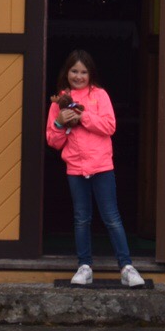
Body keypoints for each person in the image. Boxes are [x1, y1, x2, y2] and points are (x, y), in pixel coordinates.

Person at [45, 49, 143, 287]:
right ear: (66, 73)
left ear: (91, 74)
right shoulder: (60, 101)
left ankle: (127, 267)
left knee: (111, 217)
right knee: (81, 218)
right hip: (75, 167)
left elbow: (110, 126)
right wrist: (60, 122)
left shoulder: (100, 95)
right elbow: (53, 141)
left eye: (83, 72)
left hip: (101, 165)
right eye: (74, 71)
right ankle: (84, 267)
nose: (78, 76)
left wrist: (82, 117)